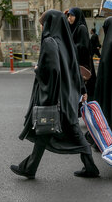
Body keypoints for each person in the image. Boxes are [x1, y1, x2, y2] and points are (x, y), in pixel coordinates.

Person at [10, 10, 99, 179]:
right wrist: (82, 90)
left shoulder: (50, 41)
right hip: (67, 95)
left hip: (54, 95)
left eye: (43, 24)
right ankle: (30, 168)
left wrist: (38, 70)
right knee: (52, 130)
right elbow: (75, 69)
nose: (42, 27)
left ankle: (30, 168)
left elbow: (51, 71)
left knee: (48, 127)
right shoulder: (67, 41)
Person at [67, 7, 96, 102]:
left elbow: (83, 47)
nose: (69, 18)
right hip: (76, 64)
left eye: (72, 15)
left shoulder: (81, 28)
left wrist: (70, 48)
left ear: (77, 16)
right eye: (68, 15)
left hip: (82, 65)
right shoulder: (73, 28)